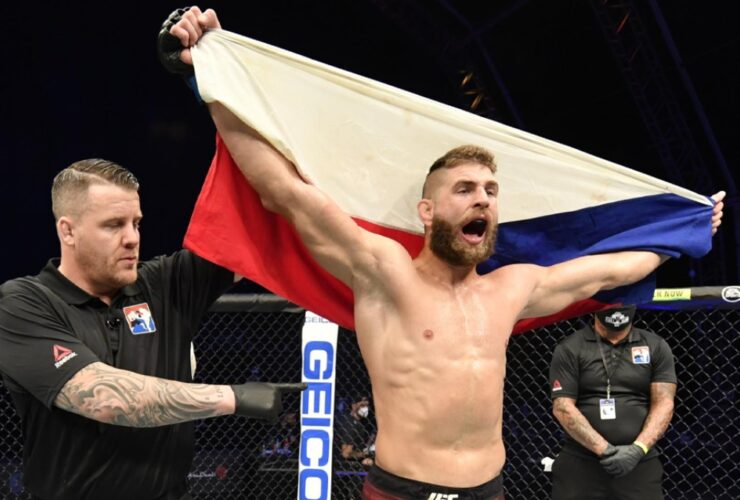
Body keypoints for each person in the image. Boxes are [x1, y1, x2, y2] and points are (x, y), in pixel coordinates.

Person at [161, 8, 724, 499]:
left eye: (491, 191)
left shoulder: (512, 287)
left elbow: (610, 270)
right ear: (427, 212)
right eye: (466, 189)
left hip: (489, 489)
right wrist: (209, 78)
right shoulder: (384, 272)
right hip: (400, 490)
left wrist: (686, 230)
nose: (483, 199)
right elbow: (283, 191)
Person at [0, 159, 306, 500]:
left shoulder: (165, 285)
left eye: (136, 223)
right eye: (114, 225)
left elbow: (258, 228)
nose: (132, 238)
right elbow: (106, 399)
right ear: (68, 231)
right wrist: (233, 397)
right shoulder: (22, 304)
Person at [548, 306, 676, 500]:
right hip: (582, 459)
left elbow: (664, 403)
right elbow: (562, 407)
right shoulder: (570, 347)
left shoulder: (655, 345)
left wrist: (637, 450)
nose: (618, 309)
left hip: (639, 462)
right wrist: (605, 450)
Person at [335, 396, 376, 468]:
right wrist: (366, 453)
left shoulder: (362, 423)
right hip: (346, 466)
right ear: (353, 405)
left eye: (367, 406)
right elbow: (346, 454)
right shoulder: (349, 423)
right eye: (362, 405)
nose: (365, 409)